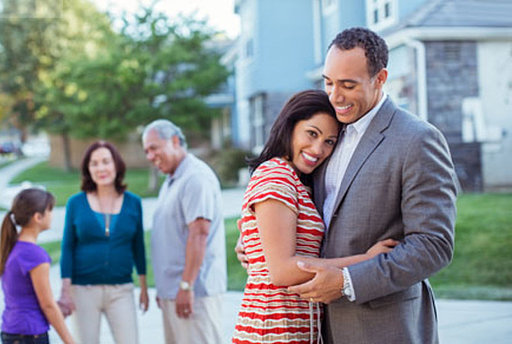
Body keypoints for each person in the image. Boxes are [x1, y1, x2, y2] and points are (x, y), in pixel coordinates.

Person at [287, 27, 457, 343]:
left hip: (384, 326)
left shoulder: (418, 140)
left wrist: (347, 281)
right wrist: (261, 244)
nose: (334, 96)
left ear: (380, 79)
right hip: (321, 327)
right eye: (328, 83)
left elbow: (434, 245)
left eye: (348, 85)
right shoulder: (327, 133)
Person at [232, 90, 398, 344]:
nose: (318, 149)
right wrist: (367, 261)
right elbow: (282, 271)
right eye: (312, 133)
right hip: (272, 329)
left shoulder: (299, 181)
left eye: (329, 141)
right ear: (290, 126)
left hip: (295, 328)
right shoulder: (275, 176)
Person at [142, 119, 227, 344]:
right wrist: (166, 289)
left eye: (153, 148)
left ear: (175, 141)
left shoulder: (195, 178)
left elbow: (199, 234)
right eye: (146, 151)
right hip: (175, 293)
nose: (149, 156)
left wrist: (185, 286)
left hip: (194, 294)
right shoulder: (172, 179)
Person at [58, 141, 148, 344]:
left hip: (121, 290)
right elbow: (68, 247)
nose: (101, 168)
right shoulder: (76, 203)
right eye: (94, 163)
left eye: (106, 162)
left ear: (116, 164)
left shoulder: (133, 202)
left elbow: (138, 246)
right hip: (83, 291)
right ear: (88, 170)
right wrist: (65, 291)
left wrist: (143, 287)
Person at [0, 188, 75, 344]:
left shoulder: (14, 247)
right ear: (38, 217)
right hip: (29, 334)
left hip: (11, 330)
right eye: (50, 211)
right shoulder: (35, 255)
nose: (52, 215)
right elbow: (48, 305)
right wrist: (70, 341)